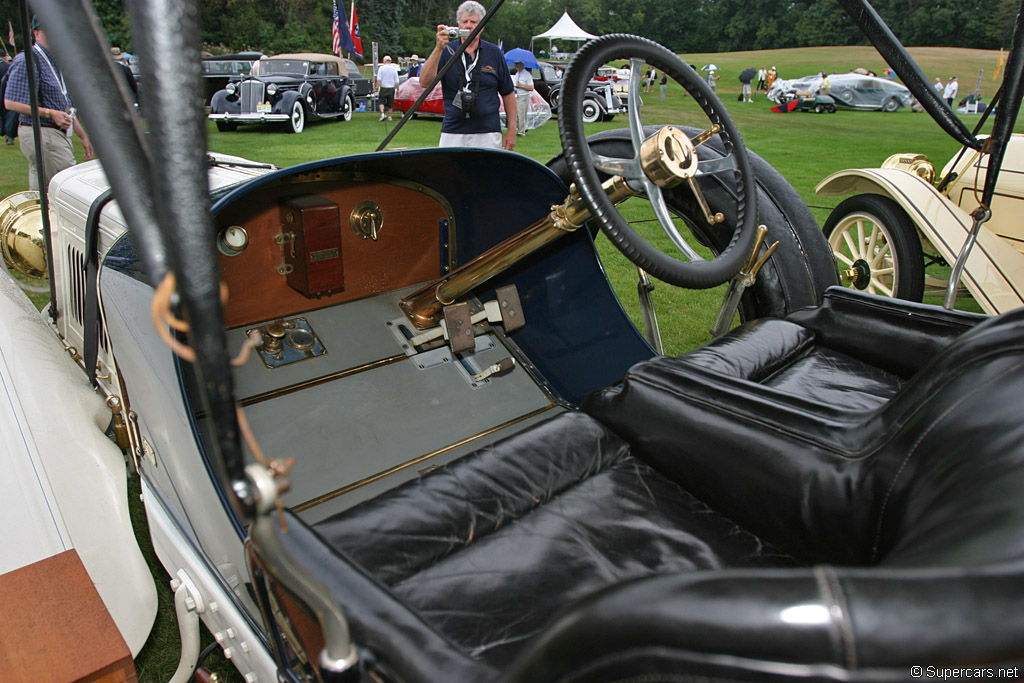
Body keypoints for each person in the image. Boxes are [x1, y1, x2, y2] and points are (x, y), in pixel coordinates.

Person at [3, 15, 93, 191]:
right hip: (42, 132)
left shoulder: (54, 62)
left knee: (43, 193)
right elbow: (10, 102)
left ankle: (41, 219)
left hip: (55, 133)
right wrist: (49, 113)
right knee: (66, 189)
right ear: (36, 33)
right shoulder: (28, 60)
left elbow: (63, 106)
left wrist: (83, 136)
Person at [419, 0, 516, 150]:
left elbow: (508, 93)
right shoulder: (446, 51)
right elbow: (424, 82)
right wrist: (438, 48)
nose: (468, 26)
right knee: (450, 173)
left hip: (488, 131)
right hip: (453, 131)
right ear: (458, 25)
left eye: (473, 22)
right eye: (464, 21)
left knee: (486, 173)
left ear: (482, 26)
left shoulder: (494, 53)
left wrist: (511, 130)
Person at [511, 59, 533, 137]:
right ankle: (523, 127)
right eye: (515, 64)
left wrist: (521, 86)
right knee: (516, 114)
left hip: (524, 96)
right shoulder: (517, 74)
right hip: (517, 95)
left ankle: (521, 132)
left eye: (518, 64)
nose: (516, 66)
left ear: (522, 65)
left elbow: (531, 87)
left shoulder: (527, 75)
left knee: (521, 114)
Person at [375, 55, 400, 121]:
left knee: (381, 101)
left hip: (383, 87)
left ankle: (382, 114)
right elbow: (397, 80)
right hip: (391, 88)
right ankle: (390, 116)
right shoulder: (394, 69)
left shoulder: (381, 68)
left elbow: (379, 79)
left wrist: (377, 87)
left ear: (384, 61)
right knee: (390, 102)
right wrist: (398, 89)